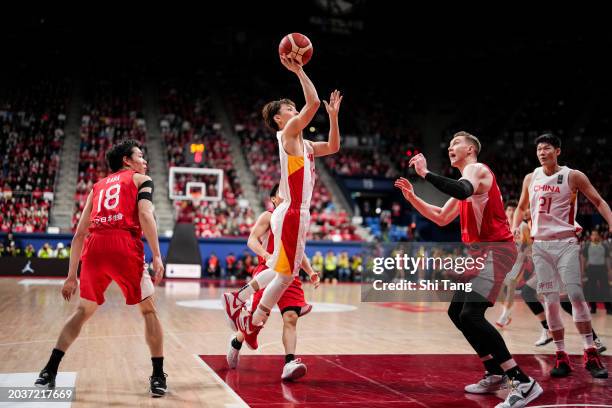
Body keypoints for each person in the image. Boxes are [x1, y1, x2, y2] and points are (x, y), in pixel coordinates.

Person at [395, 131, 542, 408]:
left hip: (496, 250)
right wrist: (413, 197)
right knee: (457, 312)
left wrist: (425, 173)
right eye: (449, 144)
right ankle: (494, 371)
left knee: (471, 315)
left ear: (471, 149)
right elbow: (440, 217)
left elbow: (461, 190)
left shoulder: (476, 170)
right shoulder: (467, 182)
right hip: (480, 254)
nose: (450, 147)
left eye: (455, 143)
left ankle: (520, 381)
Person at [222, 54, 342, 350]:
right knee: (286, 275)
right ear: (279, 118)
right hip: (292, 211)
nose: (295, 110)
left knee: (280, 271)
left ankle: (242, 307)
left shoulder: (307, 144)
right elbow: (313, 104)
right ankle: (248, 315)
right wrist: (300, 71)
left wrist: (335, 118)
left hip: (293, 212)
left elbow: (335, 146)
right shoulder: (287, 133)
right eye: (290, 108)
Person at [34, 139, 168, 397]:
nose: (145, 161)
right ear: (126, 161)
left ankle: (49, 370)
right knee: (149, 311)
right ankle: (158, 375)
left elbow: (79, 234)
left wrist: (71, 276)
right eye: (140, 156)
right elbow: (145, 215)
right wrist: (158, 255)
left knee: (83, 311)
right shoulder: (141, 180)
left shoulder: (97, 187)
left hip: (95, 248)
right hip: (122, 245)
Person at [512, 133, 611, 379]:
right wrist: (515, 225)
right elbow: (522, 207)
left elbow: (598, 201)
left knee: (576, 295)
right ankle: (561, 355)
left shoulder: (572, 176)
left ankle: (590, 352)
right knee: (551, 301)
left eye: (546, 148)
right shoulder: (530, 177)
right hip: (541, 246)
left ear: (558, 151)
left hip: (566, 242)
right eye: (538, 150)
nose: (542, 153)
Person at [227, 184, 320, 380]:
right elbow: (252, 240)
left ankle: (289, 363)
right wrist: (265, 254)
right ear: (274, 199)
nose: (285, 195)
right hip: (268, 270)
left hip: (290, 273)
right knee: (257, 321)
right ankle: (237, 341)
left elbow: (298, 251)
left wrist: (310, 271)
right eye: (280, 193)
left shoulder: (293, 220)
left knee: (291, 318)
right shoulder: (268, 216)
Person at [496, 200, 530, 327]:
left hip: (518, 261)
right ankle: (507, 312)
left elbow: (529, 245)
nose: (511, 212)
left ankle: (503, 317)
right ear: (505, 212)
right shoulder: (502, 226)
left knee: (511, 287)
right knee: (497, 292)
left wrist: (523, 254)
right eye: (509, 209)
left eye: (513, 210)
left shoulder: (523, 226)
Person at [582, 229, 612, 314]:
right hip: (591, 269)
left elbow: (607, 259)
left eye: (596, 235)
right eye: (593, 235)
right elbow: (584, 259)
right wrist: (583, 270)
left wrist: (609, 270)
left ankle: (608, 308)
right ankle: (593, 308)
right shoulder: (587, 246)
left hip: (602, 269)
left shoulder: (604, 246)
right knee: (591, 289)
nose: (594, 236)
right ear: (590, 236)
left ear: (599, 236)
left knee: (605, 288)